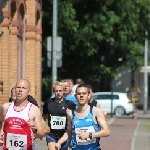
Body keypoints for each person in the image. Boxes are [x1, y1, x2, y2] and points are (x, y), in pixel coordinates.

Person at [56, 83, 110, 150]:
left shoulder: (95, 111)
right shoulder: (71, 113)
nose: (81, 96)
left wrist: (89, 135)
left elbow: (106, 132)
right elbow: (69, 131)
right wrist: (59, 142)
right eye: (79, 94)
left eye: (84, 93)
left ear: (88, 95)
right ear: (75, 96)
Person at [0, 79, 47, 150]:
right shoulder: (5, 107)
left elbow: (41, 136)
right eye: (18, 87)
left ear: (29, 91)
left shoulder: (34, 110)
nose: (20, 90)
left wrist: (34, 130)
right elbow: (1, 122)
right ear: (15, 89)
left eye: (24, 88)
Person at [43, 81, 76, 150]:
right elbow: (44, 116)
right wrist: (43, 127)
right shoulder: (48, 103)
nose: (58, 93)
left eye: (60, 91)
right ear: (53, 92)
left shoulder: (69, 104)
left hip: (65, 134)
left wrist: (70, 115)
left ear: (63, 91)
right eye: (56, 91)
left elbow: (75, 118)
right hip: (51, 134)